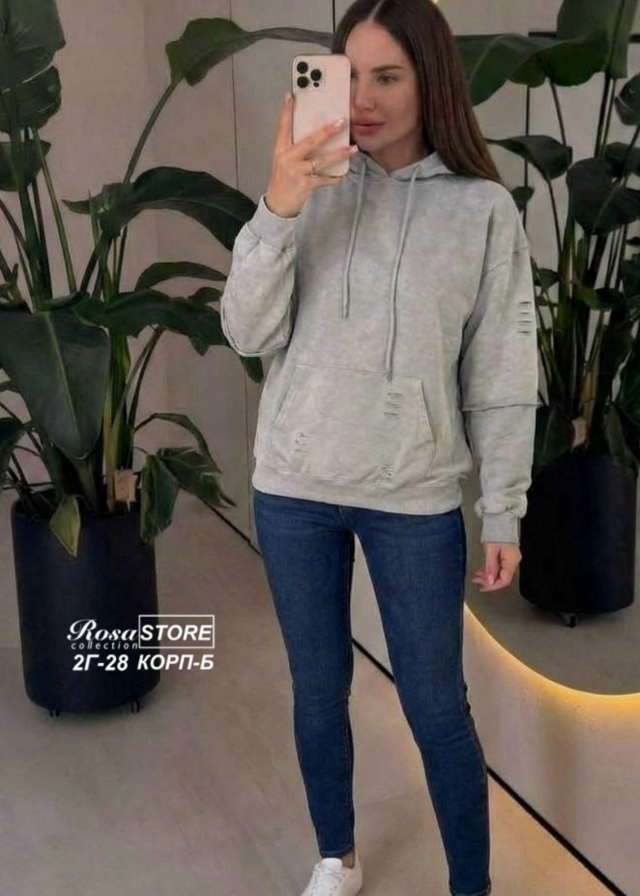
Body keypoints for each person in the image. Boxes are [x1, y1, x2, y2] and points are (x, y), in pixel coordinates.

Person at [220, 0, 538, 893]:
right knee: (318, 691)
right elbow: (244, 332)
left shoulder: (482, 211)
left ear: (431, 82)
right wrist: (280, 207)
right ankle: (339, 857)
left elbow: (502, 371)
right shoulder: (303, 190)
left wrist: (503, 507)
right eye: (347, 75)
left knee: (436, 708)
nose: (361, 98)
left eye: (387, 77)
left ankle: (470, 886)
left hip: (414, 494)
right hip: (295, 487)